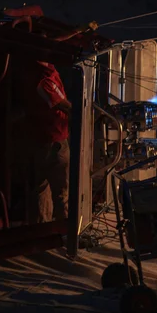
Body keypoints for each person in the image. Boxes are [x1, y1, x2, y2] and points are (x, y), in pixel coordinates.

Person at [25, 21, 98, 223]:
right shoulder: (43, 80)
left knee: (43, 188)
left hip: (44, 139)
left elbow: (56, 41)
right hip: (53, 142)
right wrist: (94, 112)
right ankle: (62, 232)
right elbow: (66, 106)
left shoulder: (44, 66)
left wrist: (79, 29)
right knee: (60, 191)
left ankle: (43, 229)